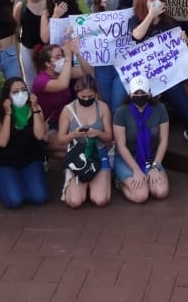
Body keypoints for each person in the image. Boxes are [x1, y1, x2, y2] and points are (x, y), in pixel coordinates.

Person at [129, 0, 188, 148]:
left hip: (169, 76)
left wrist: (185, 40)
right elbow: (137, 35)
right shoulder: (135, 21)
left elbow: (182, 44)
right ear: (143, 4)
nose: (155, 1)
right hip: (146, 80)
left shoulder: (169, 22)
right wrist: (151, 15)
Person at [0, 78, 49, 209]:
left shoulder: (35, 108)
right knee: (15, 201)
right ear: (7, 96)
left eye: (23, 90)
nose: (20, 94)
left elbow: (40, 135)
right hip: (5, 162)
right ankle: (9, 181)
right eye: (15, 92)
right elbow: (2, 142)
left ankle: (24, 181)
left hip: (30, 159)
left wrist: (34, 108)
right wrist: (8, 113)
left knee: (39, 197)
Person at [58, 75, 114, 208]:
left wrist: (97, 133)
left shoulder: (103, 107)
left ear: (96, 94)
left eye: (90, 97)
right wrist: (73, 134)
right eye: (83, 97)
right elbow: (61, 139)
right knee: (74, 201)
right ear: (77, 93)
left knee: (101, 200)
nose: (87, 99)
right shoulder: (68, 110)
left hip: (98, 153)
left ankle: (98, 182)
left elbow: (109, 137)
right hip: (78, 155)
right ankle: (80, 184)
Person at [113, 76, 170, 204]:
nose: (139, 96)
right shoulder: (121, 112)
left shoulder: (159, 109)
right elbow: (121, 145)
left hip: (150, 157)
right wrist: (136, 170)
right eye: (136, 93)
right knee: (141, 196)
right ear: (130, 93)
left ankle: (148, 176)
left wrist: (156, 166)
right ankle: (120, 183)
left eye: (143, 93)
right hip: (127, 158)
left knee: (160, 192)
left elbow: (164, 140)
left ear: (149, 93)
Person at [31, 41, 90, 154]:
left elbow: (86, 71)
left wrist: (77, 53)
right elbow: (62, 84)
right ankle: (43, 151)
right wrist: (68, 57)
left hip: (64, 123)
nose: (62, 59)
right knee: (76, 148)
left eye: (62, 56)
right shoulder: (40, 80)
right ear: (48, 64)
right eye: (58, 57)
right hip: (47, 127)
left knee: (75, 150)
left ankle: (48, 156)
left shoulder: (63, 73)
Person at [89, 0, 128, 113]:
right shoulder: (92, 22)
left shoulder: (128, 17)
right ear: (100, 3)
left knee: (117, 104)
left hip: (122, 67)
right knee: (107, 104)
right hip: (103, 68)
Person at [13, 0, 48, 81]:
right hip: (28, 48)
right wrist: (16, 53)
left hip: (47, 48)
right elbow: (16, 31)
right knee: (30, 79)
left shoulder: (49, 1)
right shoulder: (20, 7)